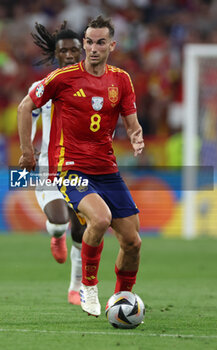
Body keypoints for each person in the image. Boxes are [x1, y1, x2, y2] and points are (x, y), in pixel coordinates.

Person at [17, 15, 144, 317]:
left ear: (112, 45)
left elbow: (131, 121)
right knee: (98, 220)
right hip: (70, 168)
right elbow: (25, 106)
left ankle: (123, 297)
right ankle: (86, 286)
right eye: (89, 41)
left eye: (100, 42)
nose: (93, 47)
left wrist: (136, 136)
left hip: (108, 171)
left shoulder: (121, 80)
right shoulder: (63, 79)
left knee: (133, 241)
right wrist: (27, 153)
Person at [29, 22, 85, 305]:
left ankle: (75, 288)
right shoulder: (44, 87)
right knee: (60, 219)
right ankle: (55, 234)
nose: (71, 55)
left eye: (76, 50)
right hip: (49, 168)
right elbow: (27, 112)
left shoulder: (95, 86)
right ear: (56, 54)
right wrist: (27, 147)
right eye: (65, 51)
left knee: (82, 229)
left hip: (83, 167)